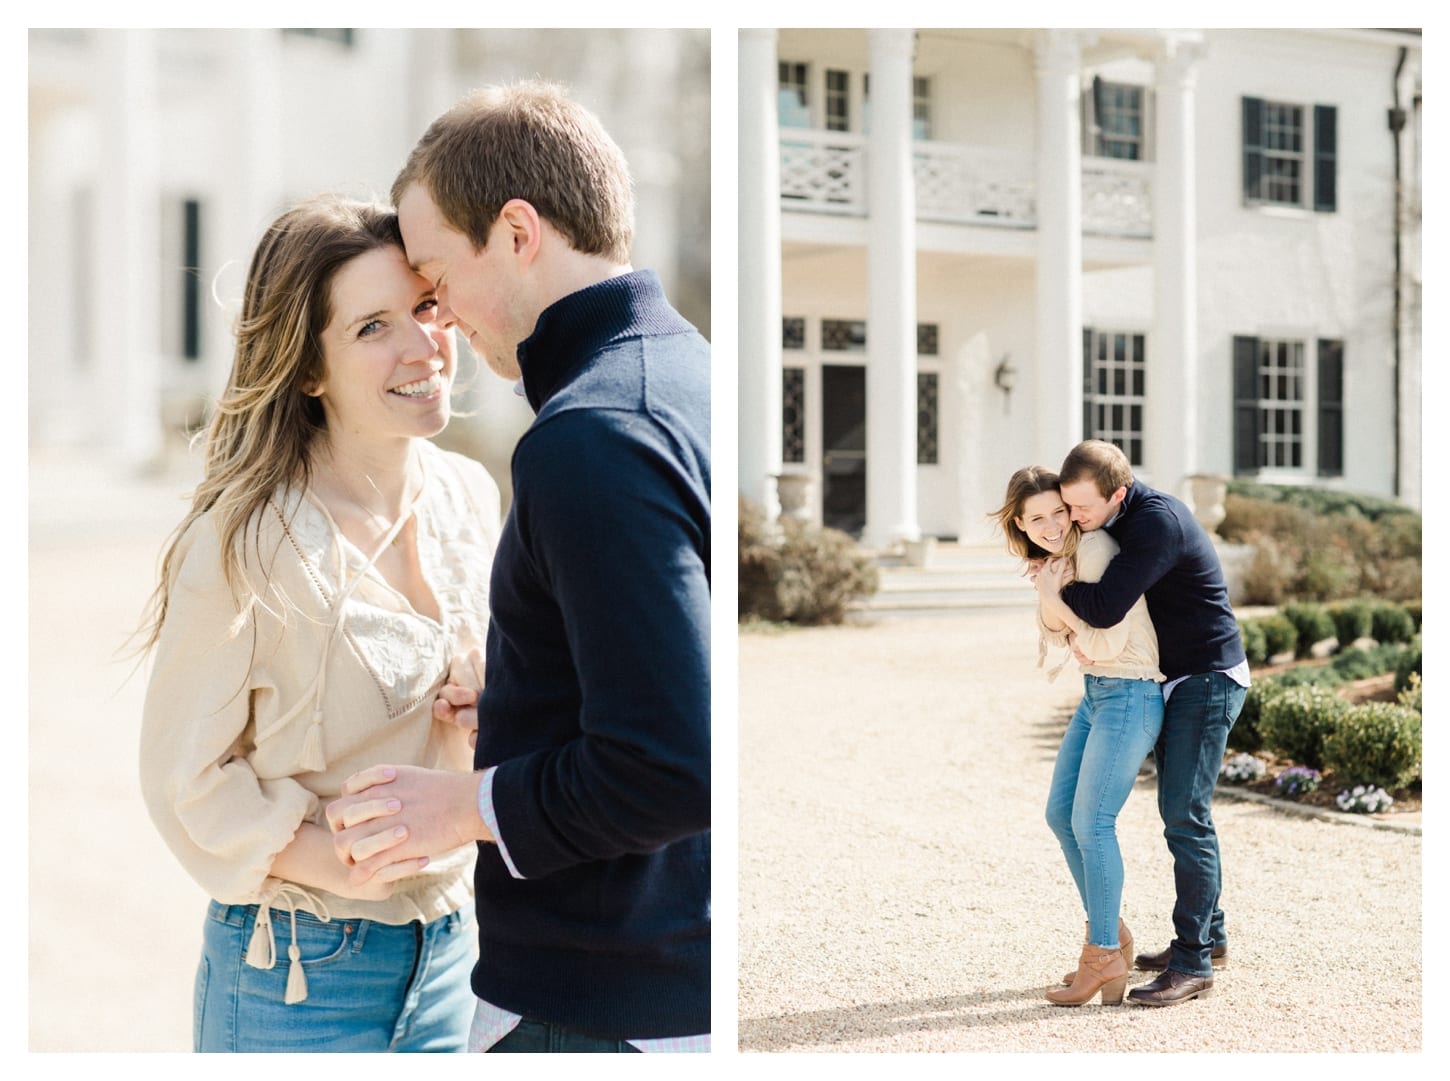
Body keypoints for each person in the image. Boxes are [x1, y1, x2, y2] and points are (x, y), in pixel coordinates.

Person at [324, 81, 711, 1053]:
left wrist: (462, 805)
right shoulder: (684, 372)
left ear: (517, 231)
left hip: (595, 1006)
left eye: (435, 274)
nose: (439, 318)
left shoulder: (591, 435)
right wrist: (532, 691)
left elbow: (672, 766)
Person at [137, 196, 501, 1052]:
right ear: (308, 369)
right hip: (298, 971)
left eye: (423, 308)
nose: (422, 346)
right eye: (372, 327)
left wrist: (491, 702)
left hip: (457, 952)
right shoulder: (245, 540)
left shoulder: (472, 496)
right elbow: (183, 775)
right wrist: (332, 861)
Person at [1048, 439, 1249, 1007]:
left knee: (1184, 817)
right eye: (1068, 505)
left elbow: (1106, 606)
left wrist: (1052, 584)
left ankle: (1193, 963)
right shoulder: (1116, 520)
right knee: (1180, 813)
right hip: (1173, 677)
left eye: (1083, 507)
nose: (1074, 518)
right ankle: (1211, 940)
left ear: (1119, 492)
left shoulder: (1154, 522)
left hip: (1207, 677)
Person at [992, 466, 1165, 1007]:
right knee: (1060, 813)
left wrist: (1058, 603)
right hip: (1097, 695)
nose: (1048, 525)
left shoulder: (1094, 551)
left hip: (1131, 692)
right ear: (1020, 524)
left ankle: (1103, 951)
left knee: (1092, 822)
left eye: (1056, 512)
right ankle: (1113, 936)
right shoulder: (1056, 560)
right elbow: (1053, 633)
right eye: (1035, 518)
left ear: (1071, 510)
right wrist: (1052, 595)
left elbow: (1105, 640)